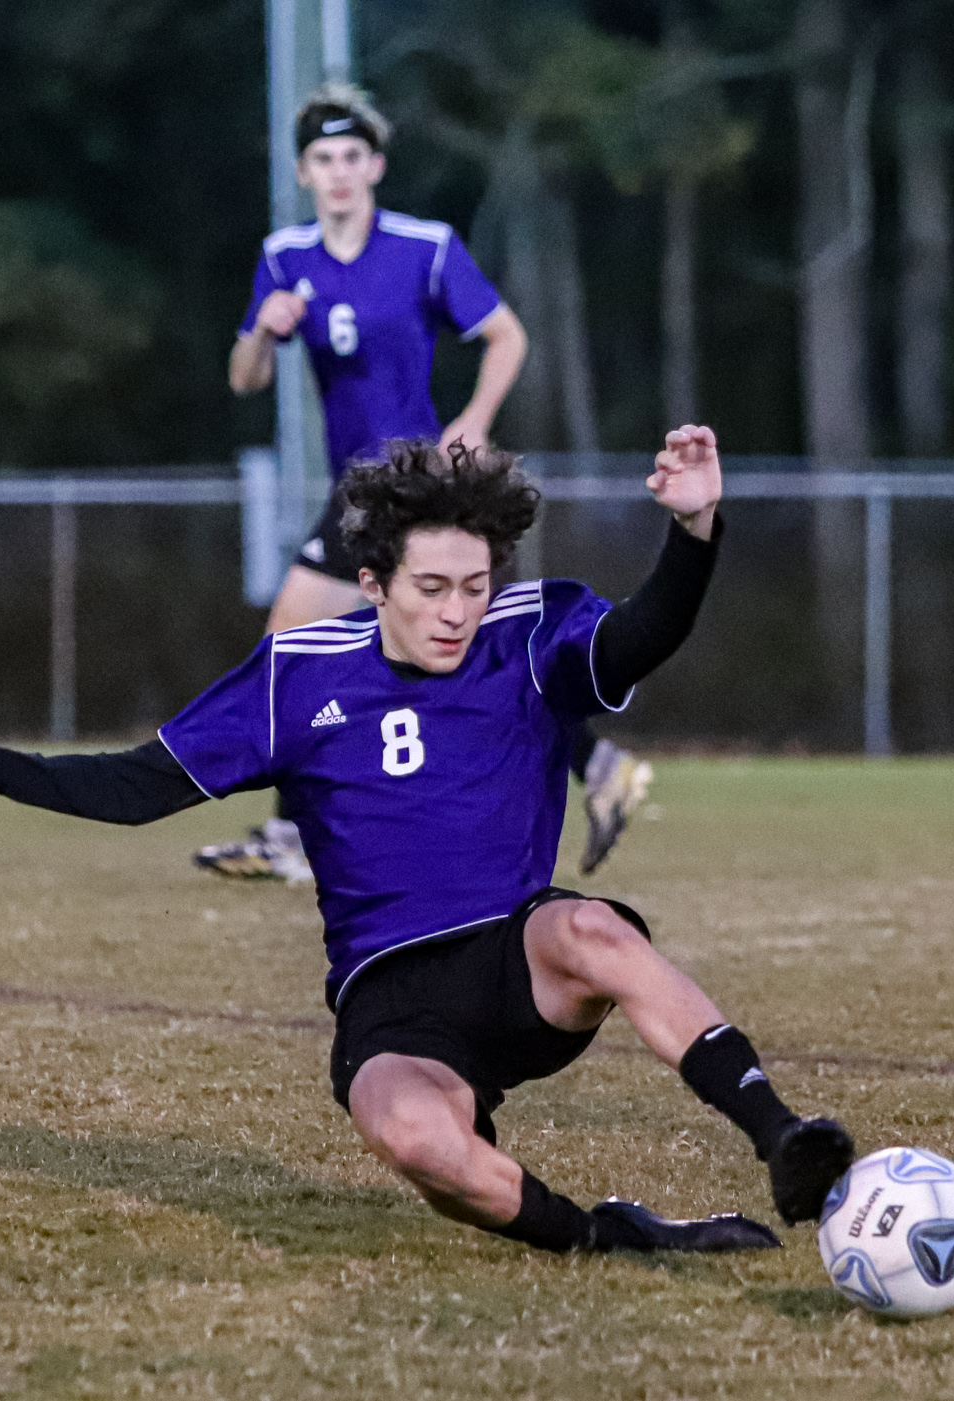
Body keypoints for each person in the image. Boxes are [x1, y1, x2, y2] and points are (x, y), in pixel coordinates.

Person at [0, 428, 858, 1256]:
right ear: (372, 583)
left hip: (517, 960)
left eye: (472, 584)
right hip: (390, 1000)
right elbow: (137, 785)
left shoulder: (527, 637)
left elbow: (643, 633)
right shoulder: (296, 675)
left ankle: (783, 1141)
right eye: (430, 589)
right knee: (415, 1141)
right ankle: (608, 1238)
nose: (457, 610)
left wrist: (692, 530)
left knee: (590, 927)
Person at [205, 81, 650, 885]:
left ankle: (293, 836)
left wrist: (474, 418)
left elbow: (506, 335)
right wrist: (264, 335)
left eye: (351, 157)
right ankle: (602, 761)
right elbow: (242, 378)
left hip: (412, 486)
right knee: (429, 651)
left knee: (300, 648)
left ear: (374, 166)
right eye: (322, 159)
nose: (338, 172)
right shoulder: (286, 259)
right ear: (304, 173)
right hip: (358, 488)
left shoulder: (424, 246)